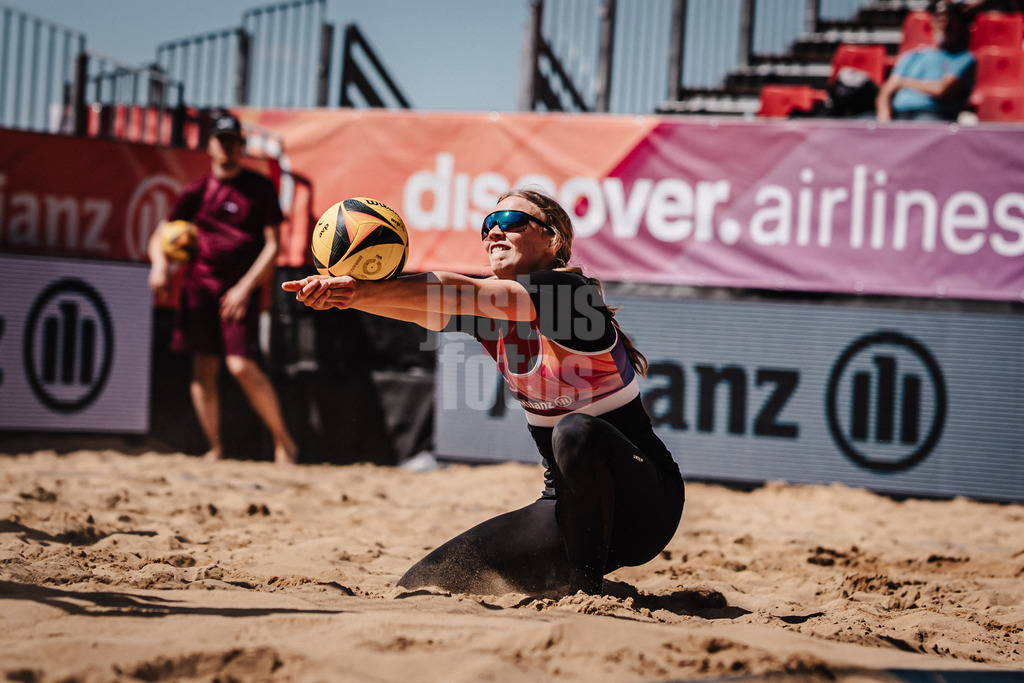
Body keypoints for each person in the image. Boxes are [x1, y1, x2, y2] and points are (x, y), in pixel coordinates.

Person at [282, 189, 685, 596]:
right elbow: (419, 305)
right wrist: (345, 296)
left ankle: (584, 594)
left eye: (510, 221)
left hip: (645, 506)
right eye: (487, 226)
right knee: (427, 583)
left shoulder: (573, 299)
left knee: (575, 431)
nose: (494, 232)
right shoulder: (493, 317)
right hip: (570, 511)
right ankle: (578, 573)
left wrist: (357, 292)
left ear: (553, 240)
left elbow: (460, 290)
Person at [148, 113, 298, 466]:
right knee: (203, 369)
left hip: (238, 291)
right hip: (199, 287)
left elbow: (273, 246)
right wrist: (159, 267)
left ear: (241, 146)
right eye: (221, 139)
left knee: (241, 365)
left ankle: (284, 442)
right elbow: (161, 235)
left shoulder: (259, 188)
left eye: (233, 140)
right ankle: (215, 448)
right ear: (210, 145)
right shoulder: (197, 191)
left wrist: (245, 287)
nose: (227, 146)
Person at [876, 0, 977, 122]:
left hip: (930, 116)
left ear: (960, 25)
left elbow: (941, 89)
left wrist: (902, 82)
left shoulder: (965, 59)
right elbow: (886, 91)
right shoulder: (912, 56)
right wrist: (884, 118)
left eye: (949, 18)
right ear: (932, 23)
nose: (944, 24)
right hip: (897, 116)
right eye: (938, 18)